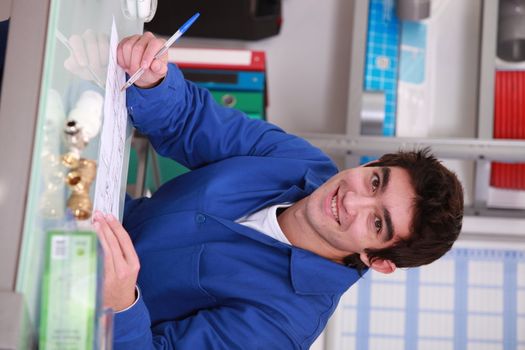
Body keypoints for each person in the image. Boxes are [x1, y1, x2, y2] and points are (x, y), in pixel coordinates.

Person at [93, 32, 464, 349]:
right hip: (90, 214)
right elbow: (191, 121)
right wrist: (154, 80)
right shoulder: (303, 162)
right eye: (375, 182)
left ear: (378, 260)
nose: (352, 199)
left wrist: (122, 305)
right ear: (370, 165)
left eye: (377, 223)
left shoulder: (283, 327)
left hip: (72, 317)